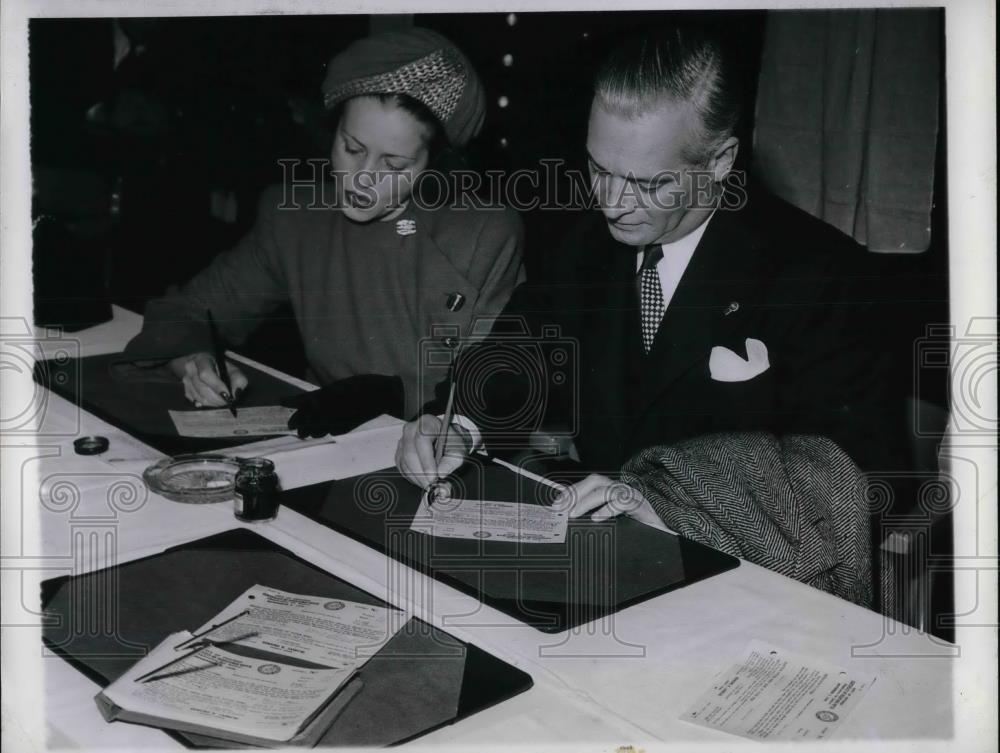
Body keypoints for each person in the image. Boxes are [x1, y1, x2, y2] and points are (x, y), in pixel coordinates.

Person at [395, 27, 904, 525]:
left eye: (648, 183)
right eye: (599, 169)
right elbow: (520, 352)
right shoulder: (584, 242)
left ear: (720, 161)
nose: (612, 204)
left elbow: (859, 476)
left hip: (742, 573)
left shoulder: (824, 275)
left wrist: (668, 504)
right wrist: (457, 425)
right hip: (604, 545)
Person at [117, 27, 525, 425]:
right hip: (329, 452)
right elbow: (185, 312)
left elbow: (496, 389)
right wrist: (191, 359)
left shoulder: (481, 232)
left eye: (394, 164)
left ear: (433, 165)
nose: (362, 178)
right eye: (352, 148)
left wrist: (394, 399)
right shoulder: (296, 217)